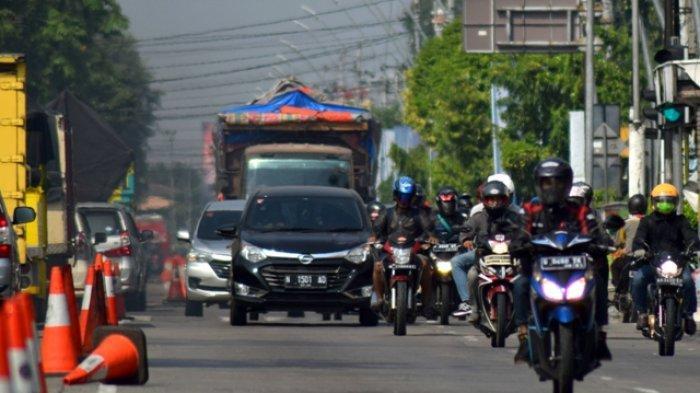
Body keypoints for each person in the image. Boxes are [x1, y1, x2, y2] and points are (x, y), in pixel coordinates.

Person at [513, 158, 612, 363]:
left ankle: (600, 334)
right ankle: (523, 335)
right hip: (539, 269)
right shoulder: (530, 211)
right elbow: (518, 237)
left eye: (558, 182)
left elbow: (597, 235)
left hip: (575, 269)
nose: (553, 188)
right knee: (521, 284)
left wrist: (600, 245)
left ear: (567, 184)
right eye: (547, 182)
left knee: (599, 283)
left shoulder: (580, 211)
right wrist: (520, 246)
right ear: (539, 185)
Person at [631, 184, 697, 335]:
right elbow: (639, 239)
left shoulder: (681, 221)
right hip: (653, 263)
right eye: (662, 200)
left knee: (688, 281)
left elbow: (691, 236)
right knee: (638, 279)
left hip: (677, 264)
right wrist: (641, 250)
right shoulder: (647, 221)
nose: (665, 204)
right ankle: (641, 313)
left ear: (676, 202)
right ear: (654, 202)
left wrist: (693, 246)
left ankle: (688, 314)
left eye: (669, 200)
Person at [459, 181, 528, 322]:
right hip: (485, 257)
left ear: (506, 199)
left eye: (499, 199)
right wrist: (466, 239)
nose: (495, 203)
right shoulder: (478, 217)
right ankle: (474, 309)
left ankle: (525, 313)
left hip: (511, 258)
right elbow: (466, 230)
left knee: (525, 278)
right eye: (491, 199)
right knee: (472, 275)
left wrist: (524, 240)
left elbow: (525, 231)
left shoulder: (513, 216)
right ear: (485, 199)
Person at [370, 176, 437, 317]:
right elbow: (376, 230)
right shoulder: (387, 213)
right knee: (377, 266)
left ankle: (426, 304)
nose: (404, 200)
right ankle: (380, 298)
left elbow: (428, 229)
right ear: (396, 196)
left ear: (412, 197)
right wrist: (374, 238)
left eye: (407, 197)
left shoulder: (419, 214)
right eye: (401, 196)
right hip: (391, 252)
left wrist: (431, 237)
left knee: (425, 264)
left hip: (413, 251)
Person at [610, 194, 646, 290]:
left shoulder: (625, 223)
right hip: (648, 258)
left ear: (630, 207)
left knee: (614, 266)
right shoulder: (650, 221)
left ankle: (620, 292)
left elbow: (616, 242)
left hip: (630, 258)